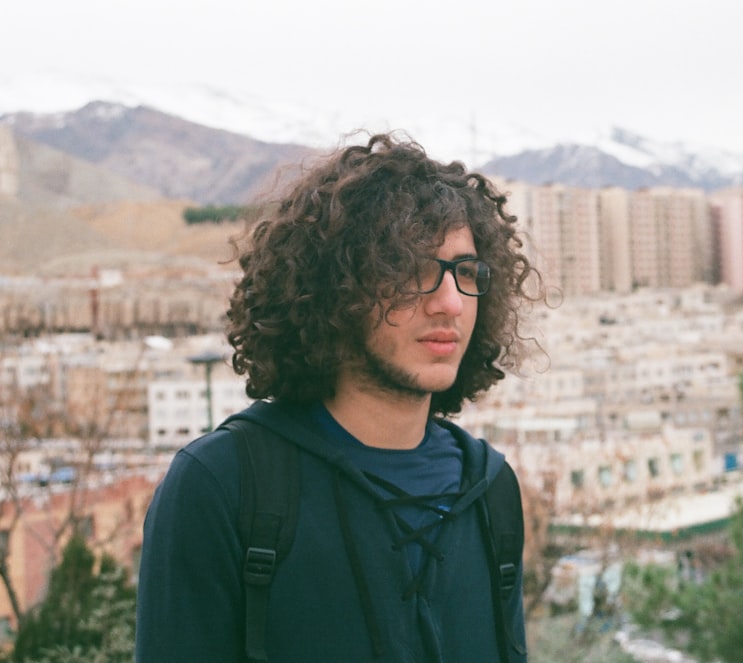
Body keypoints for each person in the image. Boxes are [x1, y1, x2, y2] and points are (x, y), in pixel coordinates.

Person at [135, 132, 544, 662]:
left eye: (465, 272)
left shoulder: (489, 489)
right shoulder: (225, 487)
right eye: (411, 269)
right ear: (335, 288)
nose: (450, 302)